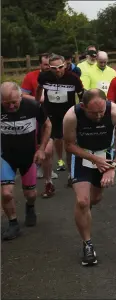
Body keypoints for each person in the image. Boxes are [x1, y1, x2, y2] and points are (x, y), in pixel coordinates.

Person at [63, 89, 116, 266]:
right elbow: (69, 146)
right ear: (83, 106)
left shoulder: (115, 111)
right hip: (83, 157)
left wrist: (113, 166)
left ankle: (84, 213)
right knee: (82, 201)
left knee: (95, 198)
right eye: (93, 113)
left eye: (101, 111)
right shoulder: (72, 116)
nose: (99, 116)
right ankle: (87, 244)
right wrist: (94, 159)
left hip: (106, 156)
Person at [1, 82, 51, 240]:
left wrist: (42, 148)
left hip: (29, 156)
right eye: (6, 103)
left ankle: (30, 207)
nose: (11, 106)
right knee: (6, 193)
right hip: (5, 156)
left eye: (14, 102)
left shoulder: (33, 106)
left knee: (30, 193)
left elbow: (47, 125)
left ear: (21, 97)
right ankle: (13, 223)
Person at [35, 54, 84, 193]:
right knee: (48, 151)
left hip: (67, 116)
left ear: (65, 65)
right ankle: (48, 182)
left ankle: (71, 174)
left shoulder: (73, 78)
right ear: (49, 67)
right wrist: (36, 104)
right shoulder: (44, 76)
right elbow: (39, 88)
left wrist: (82, 114)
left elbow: (81, 97)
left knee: (69, 147)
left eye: (60, 67)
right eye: (54, 68)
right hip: (49, 117)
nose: (58, 70)